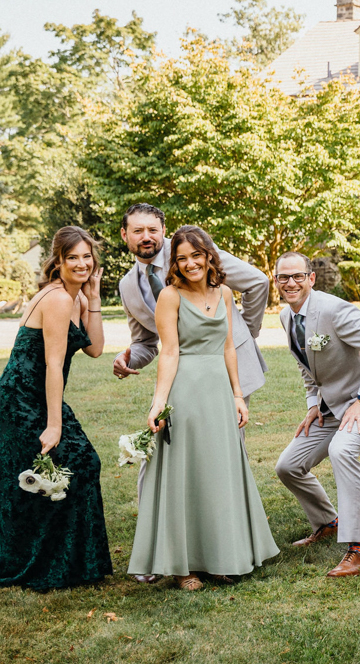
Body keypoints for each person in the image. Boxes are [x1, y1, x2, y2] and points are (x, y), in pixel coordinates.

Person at [127, 226, 279, 590]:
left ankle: (220, 556)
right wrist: (159, 402)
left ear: (209, 255)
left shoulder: (224, 293)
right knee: (186, 474)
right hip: (187, 391)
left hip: (219, 391)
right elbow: (169, 350)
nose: (190, 263)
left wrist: (238, 395)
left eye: (196, 255)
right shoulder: (170, 296)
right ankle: (183, 567)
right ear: (175, 263)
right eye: (182, 258)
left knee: (218, 472)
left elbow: (228, 348)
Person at [0, 226, 111, 590]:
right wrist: (54, 426)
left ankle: (67, 562)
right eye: (73, 257)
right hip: (19, 399)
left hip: (39, 396)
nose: (82, 263)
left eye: (87, 256)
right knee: (55, 471)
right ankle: (39, 563)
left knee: (75, 466)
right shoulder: (55, 299)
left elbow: (96, 348)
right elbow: (54, 365)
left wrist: (94, 297)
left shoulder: (77, 299)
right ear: (58, 261)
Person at [273, 251, 360, 578]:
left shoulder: (334, 310)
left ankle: (359, 549)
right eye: (283, 277)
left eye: (298, 276)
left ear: (311, 278)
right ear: (275, 281)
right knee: (288, 466)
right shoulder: (286, 317)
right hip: (332, 407)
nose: (291, 283)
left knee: (342, 449)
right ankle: (328, 522)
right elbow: (308, 368)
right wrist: (311, 404)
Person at [113, 203, 268, 403]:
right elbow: (145, 342)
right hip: (180, 376)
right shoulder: (127, 287)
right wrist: (127, 358)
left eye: (152, 230)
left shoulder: (192, 250)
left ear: (163, 230)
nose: (146, 237)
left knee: (228, 433)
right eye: (137, 231)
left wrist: (247, 331)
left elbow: (257, 282)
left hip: (225, 365)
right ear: (124, 235)